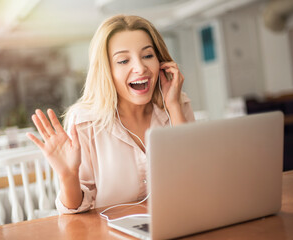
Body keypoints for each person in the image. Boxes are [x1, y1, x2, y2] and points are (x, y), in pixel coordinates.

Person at [26, 14, 195, 214]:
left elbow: (195, 176)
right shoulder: (84, 122)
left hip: (179, 220)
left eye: (148, 56)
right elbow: (77, 209)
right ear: (106, 70)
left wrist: (174, 106)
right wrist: (68, 176)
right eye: (123, 60)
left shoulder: (177, 103)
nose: (140, 68)